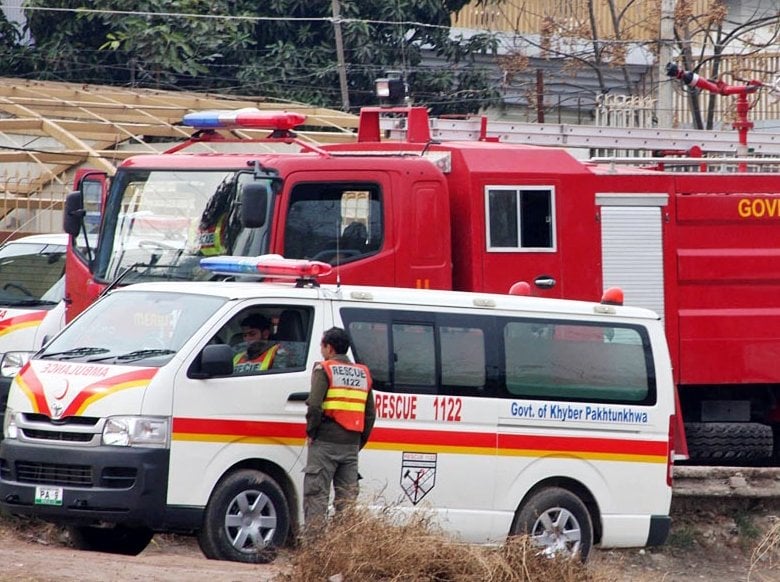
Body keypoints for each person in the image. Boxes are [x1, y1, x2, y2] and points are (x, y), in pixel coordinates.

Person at [303, 327, 375, 536]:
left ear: (329, 347)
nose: (321, 350)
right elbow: (370, 415)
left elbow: (315, 406)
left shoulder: (324, 369)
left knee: (316, 495)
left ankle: (315, 552)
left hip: (325, 442)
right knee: (346, 501)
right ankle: (341, 550)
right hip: (351, 445)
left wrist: (312, 433)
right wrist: (358, 443)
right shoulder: (363, 373)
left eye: (322, 346)